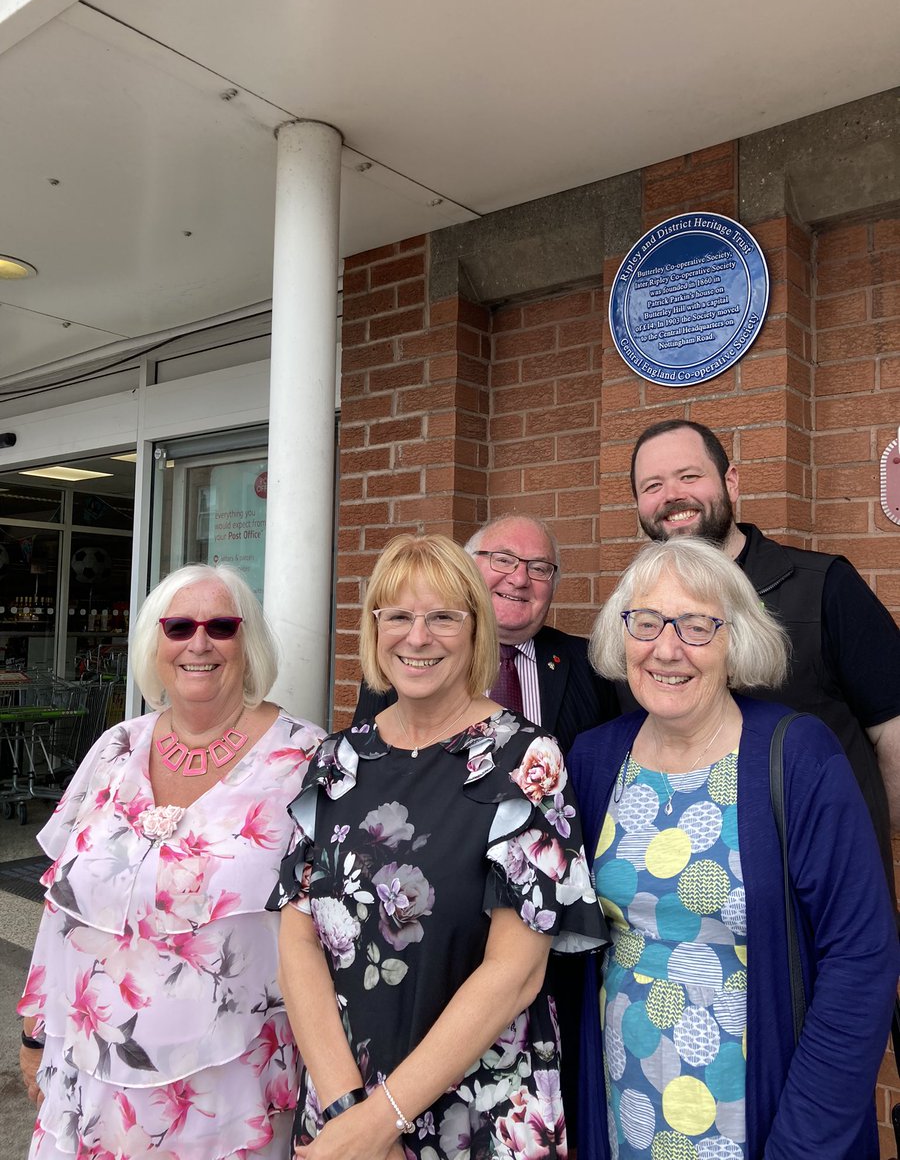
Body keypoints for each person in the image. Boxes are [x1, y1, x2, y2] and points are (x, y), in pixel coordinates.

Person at [270, 533, 606, 1159]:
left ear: (476, 630)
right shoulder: (335, 762)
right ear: (374, 630)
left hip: (481, 1110)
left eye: (442, 617)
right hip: (345, 1101)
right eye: (397, 615)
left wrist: (384, 1122)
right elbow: (298, 940)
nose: (416, 637)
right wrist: (350, 1112)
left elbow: (516, 971)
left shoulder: (523, 761)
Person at [567, 537, 898, 1159]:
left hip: (765, 1119)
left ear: (736, 640)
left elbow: (861, 959)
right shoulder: (593, 758)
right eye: (646, 622)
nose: (667, 648)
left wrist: (804, 1145)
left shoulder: (798, 755)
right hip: (624, 1108)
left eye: (697, 625)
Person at [17, 563, 324, 1160]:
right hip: (88, 1072)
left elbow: (329, 935)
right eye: (179, 626)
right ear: (155, 645)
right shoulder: (117, 746)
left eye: (221, 626)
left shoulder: (308, 760)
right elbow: (62, 910)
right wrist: (33, 1035)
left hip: (230, 1087)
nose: (199, 642)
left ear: (249, 641)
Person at [629, 417, 900, 886]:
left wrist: (862, 842)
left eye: (689, 476)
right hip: (690, 887)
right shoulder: (637, 617)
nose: (672, 495)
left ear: (730, 482)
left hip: (818, 887)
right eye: (653, 485)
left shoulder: (823, 587)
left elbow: (893, 733)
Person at [354, 514, 618, 754]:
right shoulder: (408, 661)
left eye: (538, 568)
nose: (519, 579)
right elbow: (365, 759)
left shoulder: (591, 666)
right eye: (502, 560)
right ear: (467, 572)